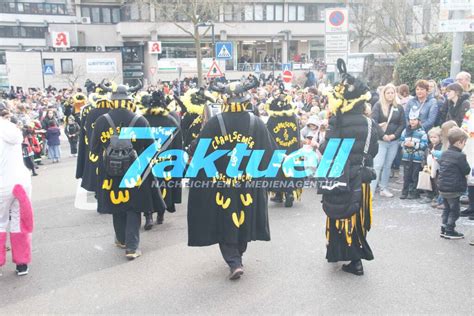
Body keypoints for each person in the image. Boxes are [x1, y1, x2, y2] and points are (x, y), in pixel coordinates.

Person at [187, 77, 276, 280]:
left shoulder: (214, 123)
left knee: (225, 219)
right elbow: (270, 152)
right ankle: (238, 256)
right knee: (244, 217)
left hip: (221, 184)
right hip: (248, 184)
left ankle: (234, 260)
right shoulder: (257, 123)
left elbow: (198, 147)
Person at [319, 59, 378, 276]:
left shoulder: (338, 122)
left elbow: (328, 150)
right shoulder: (370, 123)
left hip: (340, 178)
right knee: (356, 219)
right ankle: (353, 258)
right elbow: (373, 151)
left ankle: (349, 258)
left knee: (339, 217)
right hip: (361, 180)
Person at [89, 84, 154, 260]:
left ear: (112, 101)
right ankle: (132, 247)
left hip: (109, 171)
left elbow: (93, 148)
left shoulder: (102, 121)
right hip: (134, 169)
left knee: (115, 203)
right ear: (128, 101)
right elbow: (150, 148)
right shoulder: (140, 121)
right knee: (133, 207)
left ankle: (121, 239)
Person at [0, 101, 34, 276]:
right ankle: (22, 263)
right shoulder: (13, 129)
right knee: (19, 221)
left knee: (0, 221)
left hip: (1, 182)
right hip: (20, 180)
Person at [141, 91, 182, 229]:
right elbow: (177, 145)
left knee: (147, 188)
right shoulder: (171, 121)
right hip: (166, 162)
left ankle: (148, 216)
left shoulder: (141, 119)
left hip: (147, 161)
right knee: (164, 187)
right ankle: (161, 214)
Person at [265, 86, 301, 207]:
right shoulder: (293, 117)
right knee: (289, 170)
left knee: (278, 172)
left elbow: (268, 136)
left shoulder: (272, 119)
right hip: (291, 148)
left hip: (277, 150)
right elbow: (297, 134)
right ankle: (287, 193)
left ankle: (282, 194)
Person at [370, 84, 406, 197]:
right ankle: (370, 190)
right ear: (384, 94)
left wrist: (394, 136)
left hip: (393, 141)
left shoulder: (399, 107)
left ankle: (383, 188)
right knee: (377, 165)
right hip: (381, 141)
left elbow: (402, 124)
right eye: (388, 93)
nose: (390, 95)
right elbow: (373, 122)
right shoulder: (378, 105)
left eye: (392, 93)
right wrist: (383, 135)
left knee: (387, 165)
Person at [438, 127, 470, 239]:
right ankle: (450, 230)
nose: (465, 145)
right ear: (459, 142)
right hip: (454, 188)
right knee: (455, 210)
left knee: (446, 208)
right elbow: (466, 170)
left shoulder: (444, 153)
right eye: (464, 142)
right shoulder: (460, 156)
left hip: (443, 187)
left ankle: (443, 227)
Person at [399, 113, 428, 199]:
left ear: (419, 121)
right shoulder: (405, 131)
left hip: (417, 158)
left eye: (415, 119)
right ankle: (405, 191)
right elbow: (400, 141)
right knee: (406, 175)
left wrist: (414, 144)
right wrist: (405, 143)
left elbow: (424, 145)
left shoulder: (422, 132)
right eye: (411, 120)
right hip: (406, 157)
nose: (412, 121)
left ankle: (414, 192)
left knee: (415, 176)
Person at [460, 94, 474, 219]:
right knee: (470, 178)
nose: (472, 101)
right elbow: (463, 126)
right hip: (469, 147)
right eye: (472, 99)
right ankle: (471, 206)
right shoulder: (469, 113)